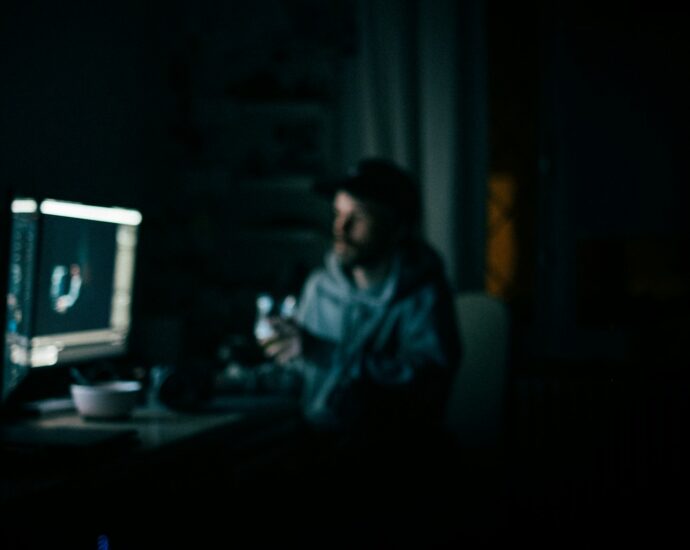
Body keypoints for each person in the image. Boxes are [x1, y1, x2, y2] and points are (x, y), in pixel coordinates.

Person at [258, 158, 462, 460]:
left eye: (359, 217)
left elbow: (424, 380)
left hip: (395, 458)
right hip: (315, 447)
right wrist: (229, 381)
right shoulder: (320, 287)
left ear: (397, 229)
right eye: (338, 213)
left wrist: (321, 351)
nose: (341, 227)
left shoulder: (423, 296)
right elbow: (299, 374)